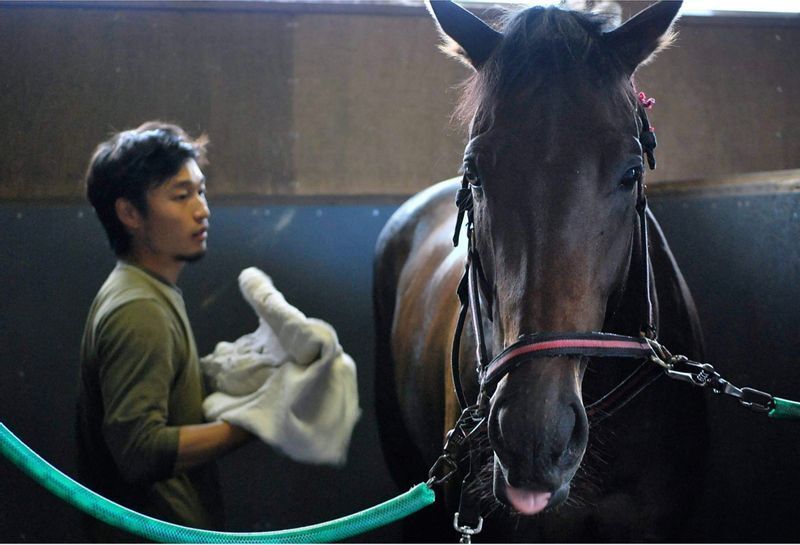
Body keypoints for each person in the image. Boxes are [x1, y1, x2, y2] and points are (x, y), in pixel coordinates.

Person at [76, 121, 252, 541]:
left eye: (201, 190)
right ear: (130, 213)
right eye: (181, 195)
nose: (202, 209)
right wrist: (256, 424)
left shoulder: (147, 290)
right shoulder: (138, 308)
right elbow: (139, 453)